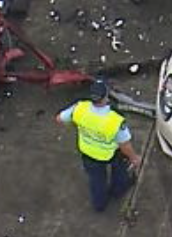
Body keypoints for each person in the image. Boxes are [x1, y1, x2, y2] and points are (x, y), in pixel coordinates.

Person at [56, 80, 142, 213]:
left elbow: (60, 119)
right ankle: (118, 191)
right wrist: (134, 158)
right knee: (120, 173)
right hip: (111, 153)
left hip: (88, 153)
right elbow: (124, 145)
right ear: (106, 97)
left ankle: (99, 204)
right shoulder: (115, 120)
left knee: (97, 181)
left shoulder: (79, 108)